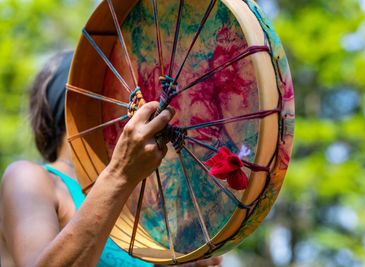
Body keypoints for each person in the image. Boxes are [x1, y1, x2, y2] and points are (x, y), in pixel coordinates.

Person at [0, 51, 222, 267]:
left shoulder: (139, 202)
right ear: (76, 103)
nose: (137, 102)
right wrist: (120, 175)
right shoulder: (30, 178)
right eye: (116, 90)